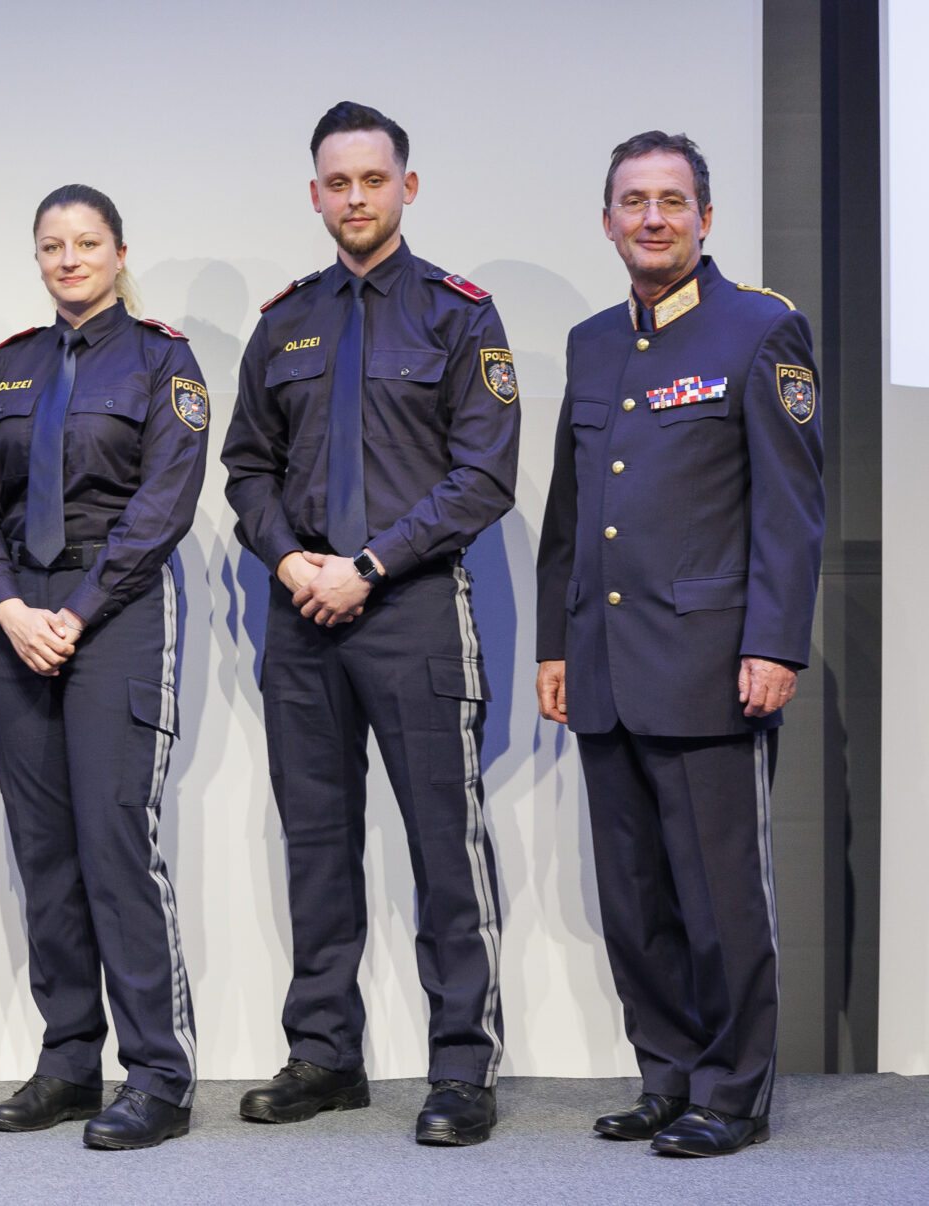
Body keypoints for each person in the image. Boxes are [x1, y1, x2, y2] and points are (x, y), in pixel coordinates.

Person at [221, 101, 519, 1146]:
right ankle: (323, 1053)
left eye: (372, 181)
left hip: (413, 612)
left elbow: (483, 477)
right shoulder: (283, 322)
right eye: (335, 184)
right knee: (315, 842)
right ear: (314, 195)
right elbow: (244, 468)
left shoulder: (457, 316)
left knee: (445, 844)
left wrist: (368, 564)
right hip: (301, 618)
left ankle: (459, 1065)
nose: (354, 199)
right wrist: (290, 557)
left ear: (406, 187)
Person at [534, 131, 823, 1158]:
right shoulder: (589, 343)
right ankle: (665, 1073)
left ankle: (731, 1088)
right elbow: (571, 512)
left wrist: (775, 643)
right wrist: (553, 645)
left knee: (718, 896)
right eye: (630, 201)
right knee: (631, 893)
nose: (649, 218)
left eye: (670, 201)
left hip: (710, 663)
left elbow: (789, 510)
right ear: (605, 219)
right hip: (603, 662)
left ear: (704, 218)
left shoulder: (757, 330)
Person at [0, 185, 205, 1151]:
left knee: (114, 841)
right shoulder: (12, 366)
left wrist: (76, 612)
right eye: (52, 245)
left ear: (119, 250)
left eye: (86, 242)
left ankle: (161, 1075)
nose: (68, 259)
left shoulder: (162, 359)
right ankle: (67, 1061)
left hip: (118, 617)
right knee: (43, 852)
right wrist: (12, 606)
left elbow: (162, 506)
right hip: (16, 625)